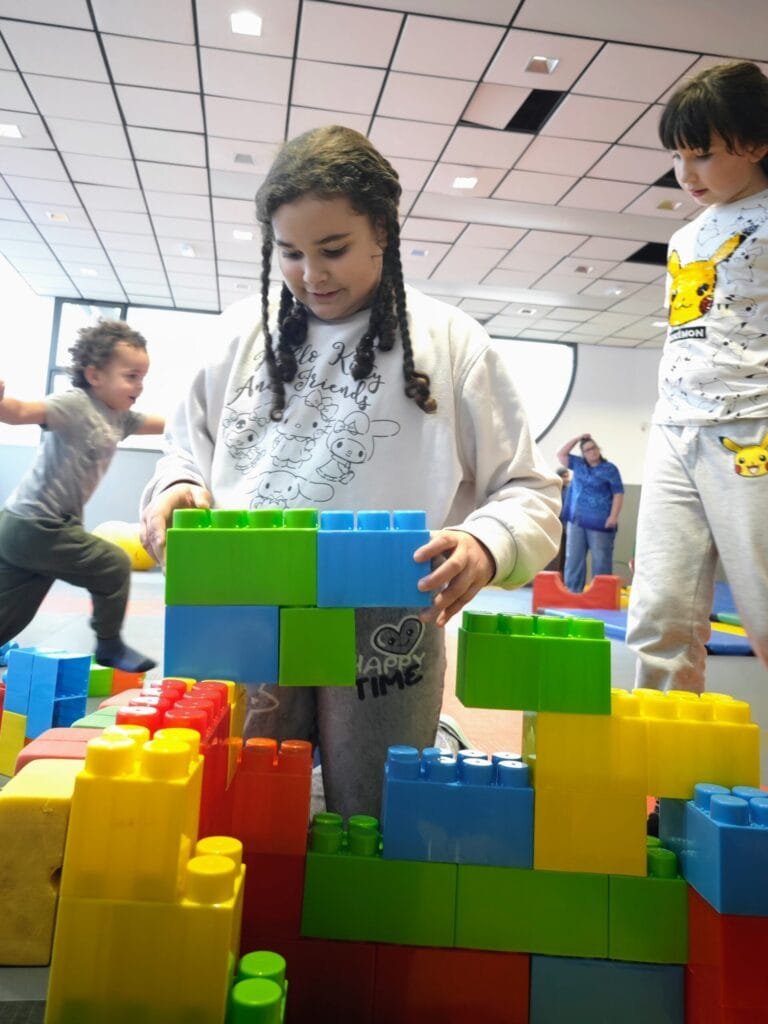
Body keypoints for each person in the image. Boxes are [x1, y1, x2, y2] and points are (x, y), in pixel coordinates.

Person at [140, 124, 561, 819]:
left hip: (388, 608)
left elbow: (530, 489)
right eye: (291, 253)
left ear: (382, 234)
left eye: (333, 249)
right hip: (249, 600)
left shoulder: (452, 343)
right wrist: (178, 489)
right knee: (237, 811)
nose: (312, 274)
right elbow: (184, 451)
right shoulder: (237, 335)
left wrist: (485, 544)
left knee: (371, 811)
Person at [626, 60, 768, 693]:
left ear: (756, 143)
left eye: (703, 155)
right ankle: (661, 753)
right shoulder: (685, 237)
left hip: (753, 426)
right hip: (675, 428)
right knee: (660, 615)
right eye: (677, 156)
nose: (686, 174)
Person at [0, 319, 165, 673]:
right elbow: (20, 412)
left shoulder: (121, 418)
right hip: (36, 524)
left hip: (27, 527)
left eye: (142, 377)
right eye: (131, 376)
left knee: (11, 613)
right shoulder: (74, 404)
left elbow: (168, 424)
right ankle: (109, 645)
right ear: (94, 375)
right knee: (113, 564)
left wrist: (208, 420)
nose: (139, 385)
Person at [556, 434, 623, 592]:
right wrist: (578, 438)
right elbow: (561, 454)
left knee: (601, 560)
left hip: (600, 523)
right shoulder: (578, 464)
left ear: (599, 449)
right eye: (587, 450)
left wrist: (613, 516)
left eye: (594, 448)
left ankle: (601, 593)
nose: (592, 451)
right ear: (583, 454)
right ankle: (573, 592)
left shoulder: (610, 469)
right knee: (574, 558)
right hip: (577, 521)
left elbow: (618, 493)